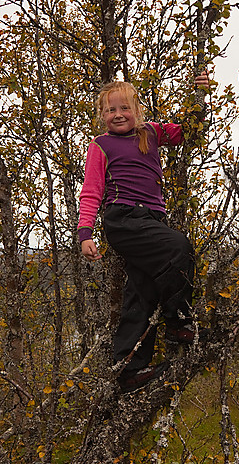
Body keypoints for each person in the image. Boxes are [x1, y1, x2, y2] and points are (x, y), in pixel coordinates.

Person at [78, 72, 212, 393]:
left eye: (124, 108)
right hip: (123, 219)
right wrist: (85, 233)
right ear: (102, 115)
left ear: (137, 109)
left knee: (141, 291)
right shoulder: (101, 145)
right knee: (179, 248)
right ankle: (178, 321)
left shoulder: (151, 133)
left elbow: (189, 133)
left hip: (152, 220)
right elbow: (92, 191)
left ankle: (129, 369)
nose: (118, 114)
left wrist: (199, 97)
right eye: (111, 110)